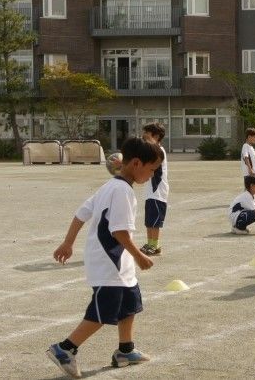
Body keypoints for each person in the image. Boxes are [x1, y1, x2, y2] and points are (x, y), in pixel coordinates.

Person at [46, 137, 163, 378]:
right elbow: (118, 231)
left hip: (120, 263)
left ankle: (125, 350)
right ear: (137, 164)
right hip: (110, 262)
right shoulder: (121, 191)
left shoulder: (110, 186)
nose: (152, 176)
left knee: (129, 305)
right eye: (152, 170)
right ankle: (64, 348)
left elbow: (81, 214)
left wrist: (68, 243)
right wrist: (140, 255)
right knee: (102, 312)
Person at [139, 123, 169, 256]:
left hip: (158, 191)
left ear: (156, 136)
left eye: (147, 133)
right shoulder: (151, 149)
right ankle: (150, 243)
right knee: (149, 220)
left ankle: (155, 245)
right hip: (150, 191)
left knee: (155, 221)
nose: (143, 135)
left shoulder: (158, 150)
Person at [240, 127, 255, 200]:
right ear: (249, 137)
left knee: (252, 188)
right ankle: (244, 200)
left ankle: (249, 200)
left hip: (254, 171)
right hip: (250, 172)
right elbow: (246, 157)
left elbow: (253, 159)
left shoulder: (251, 147)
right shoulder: (245, 146)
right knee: (249, 188)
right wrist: (250, 169)